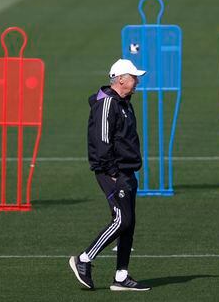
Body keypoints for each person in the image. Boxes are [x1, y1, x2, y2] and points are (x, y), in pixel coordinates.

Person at [69, 59, 151, 291]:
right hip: (112, 172)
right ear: (121, 79)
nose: (138, 81)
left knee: (128, 224)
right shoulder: (107, 104)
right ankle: (83, 259)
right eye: (134, 77)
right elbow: (101, 141)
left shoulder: (124, 102)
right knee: (121, 220)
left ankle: (121, 277)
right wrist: (112, 172)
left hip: (126, 170)